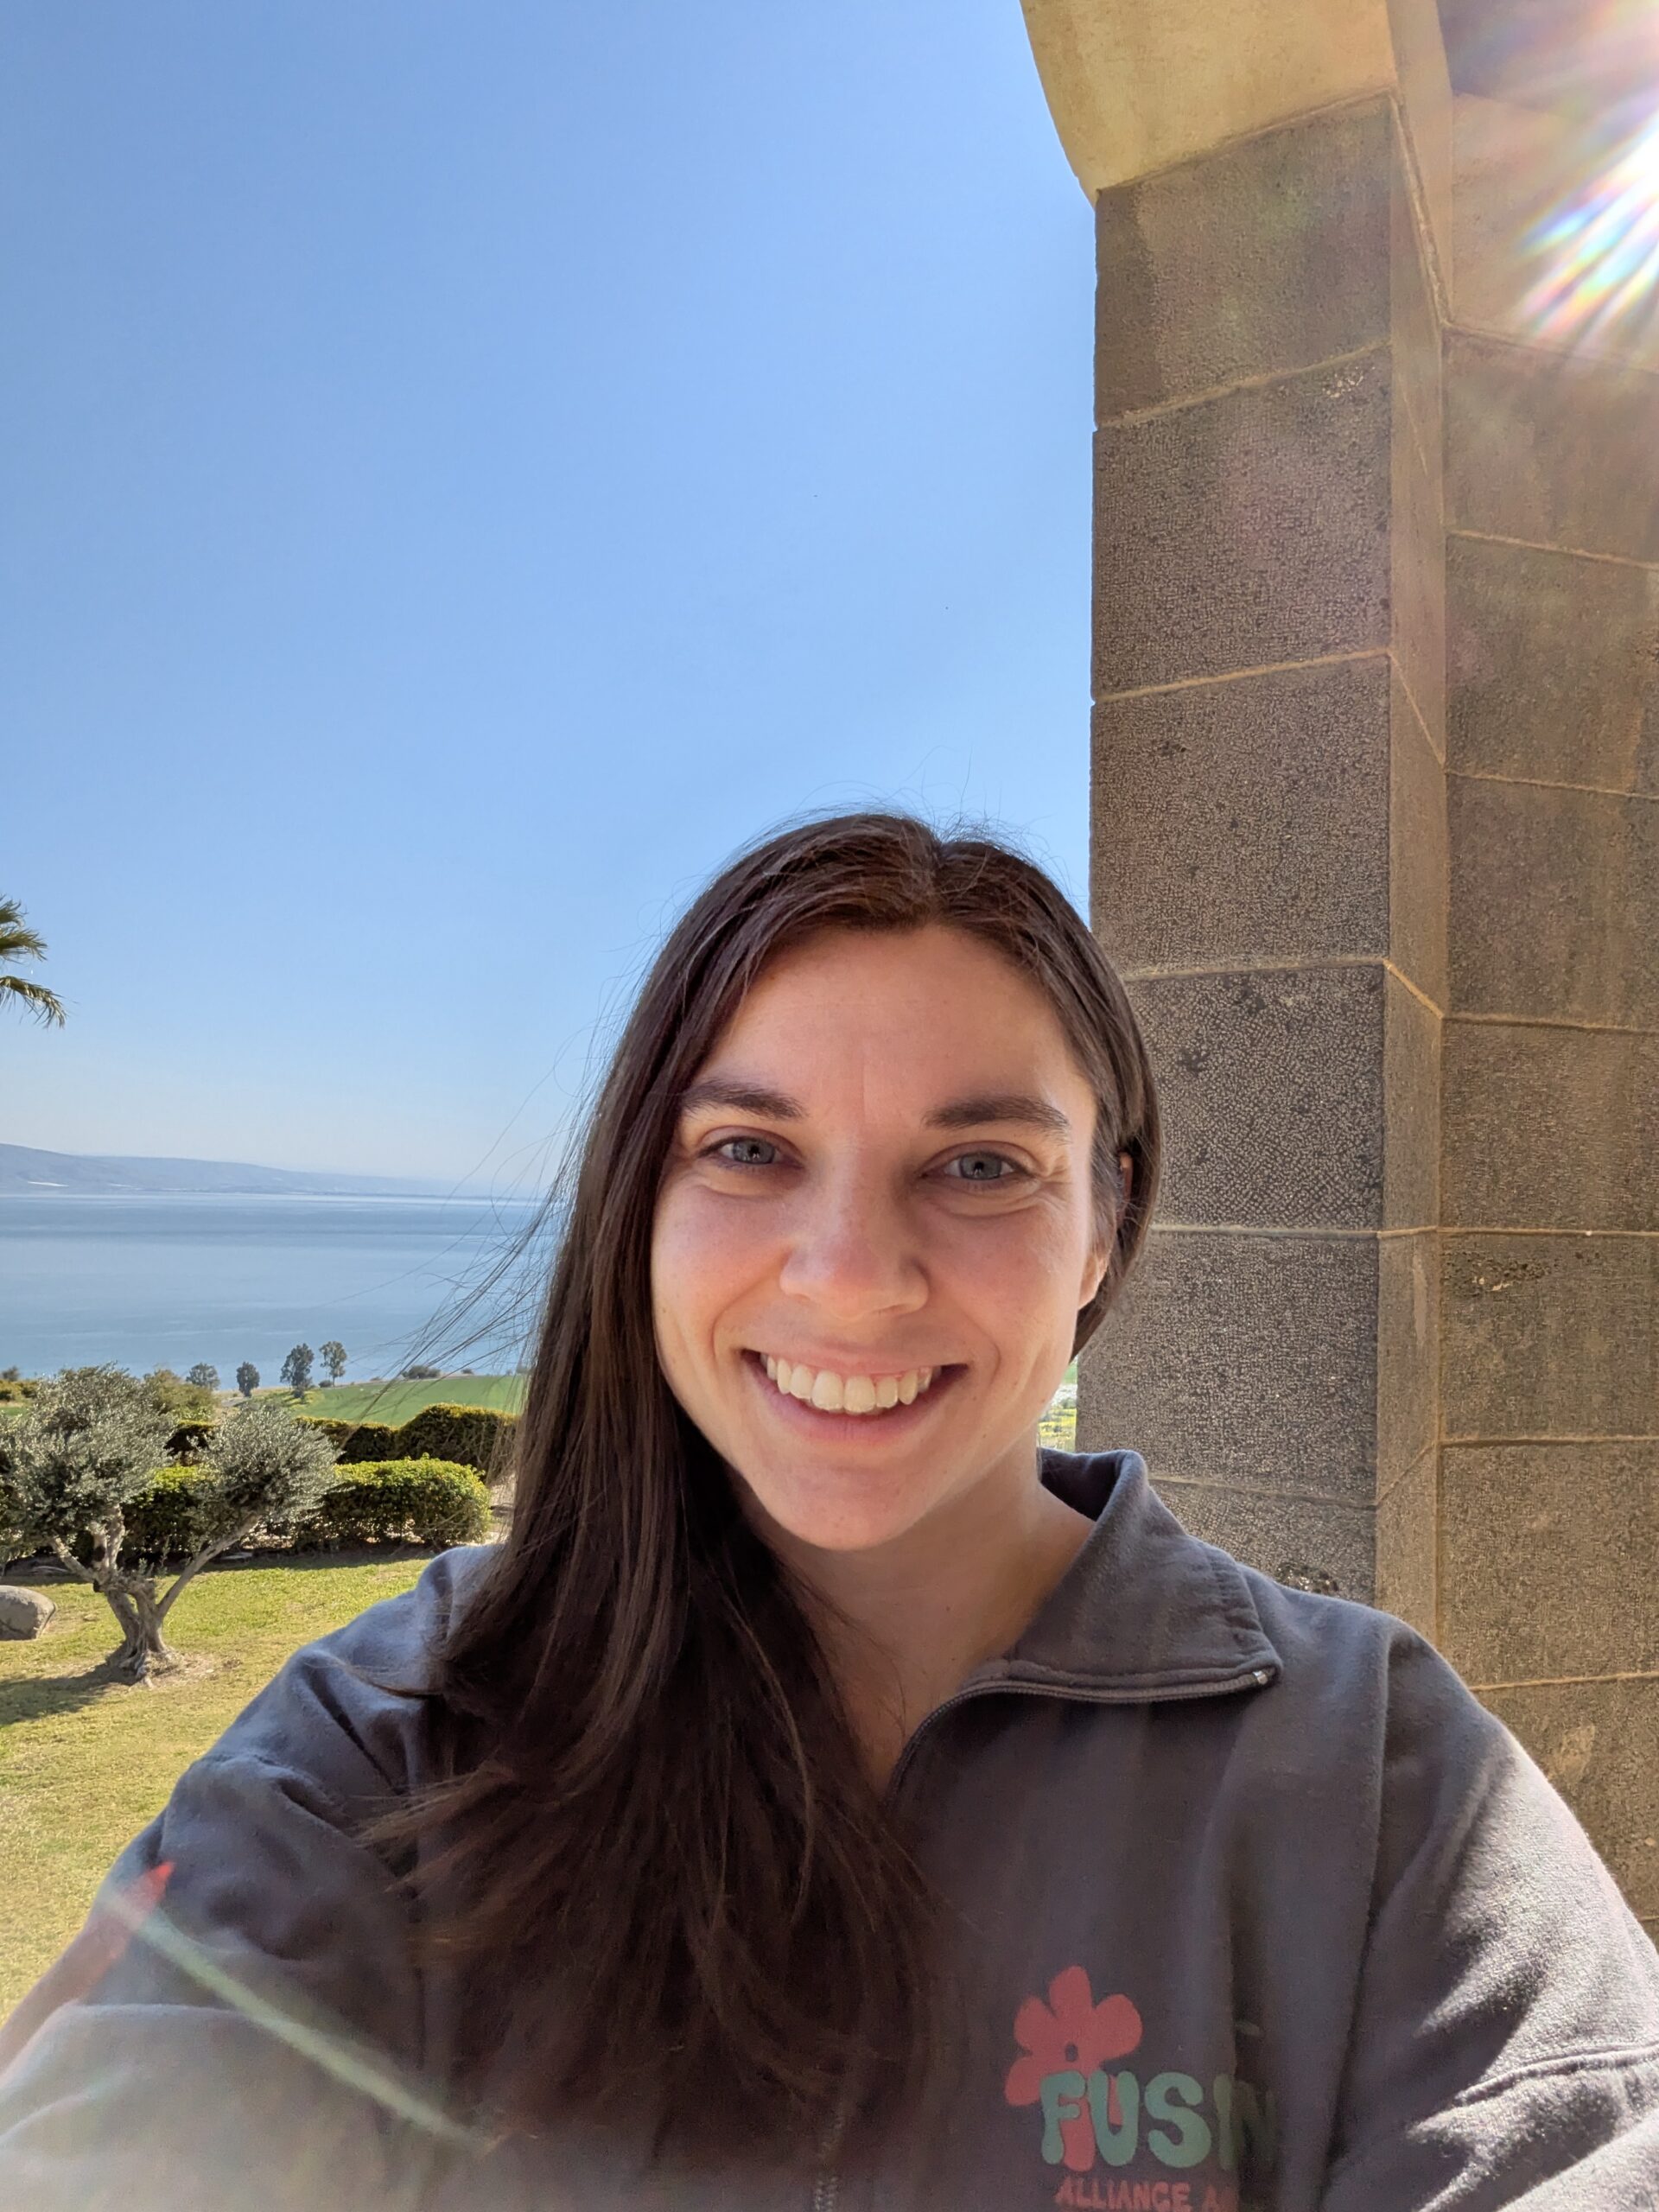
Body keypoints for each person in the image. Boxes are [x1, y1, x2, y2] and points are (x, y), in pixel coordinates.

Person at [1, 812, 1656, 2212]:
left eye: (984, 1164)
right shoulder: (390, 1744)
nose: (851, 1277)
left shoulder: (1381, 1783)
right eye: (747, 1148)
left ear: (1103, 1225)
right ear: (640, 1203)